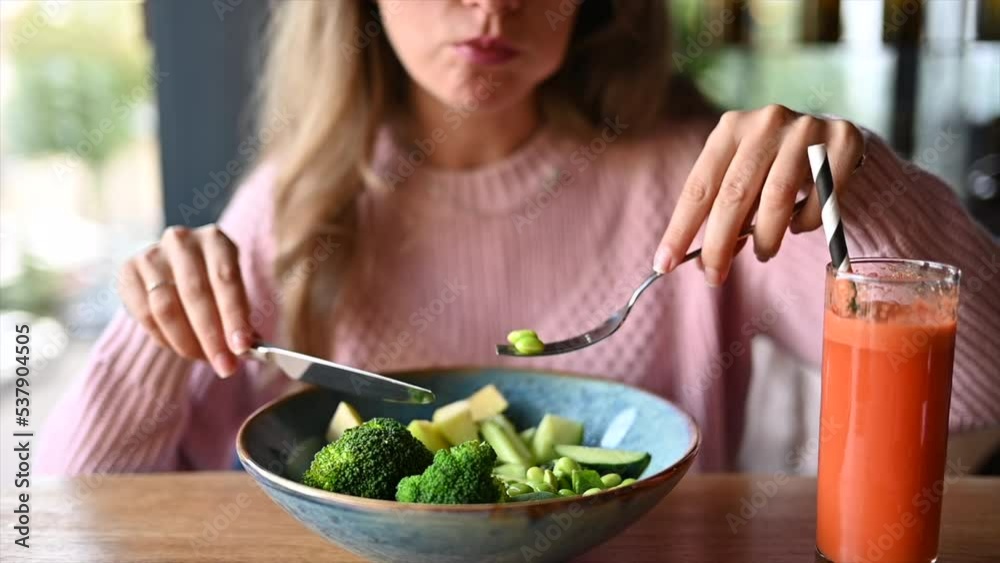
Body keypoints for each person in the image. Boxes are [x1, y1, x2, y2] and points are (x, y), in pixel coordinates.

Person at [39, 0, 998, 474]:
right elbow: (77, 501)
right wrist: (153, 329)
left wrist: (859, 183)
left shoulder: (701, 180)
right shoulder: (289, 208)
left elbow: (980, 393)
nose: (490, 8)